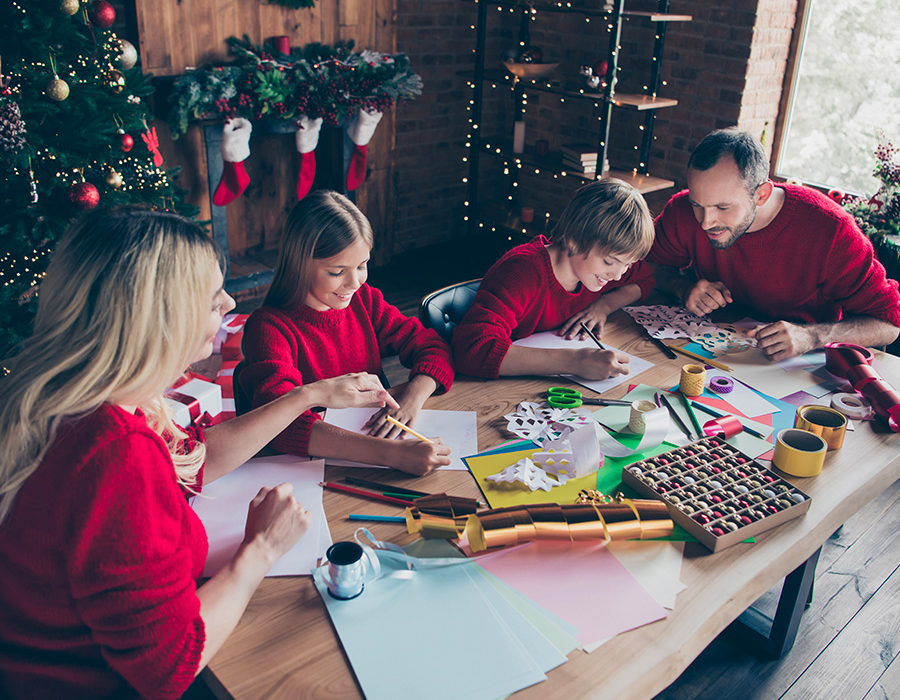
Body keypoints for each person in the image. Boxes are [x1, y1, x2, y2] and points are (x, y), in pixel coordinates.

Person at [0, 207, 398, 700]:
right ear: (157, 320)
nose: (230, 303)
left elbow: (195, 459)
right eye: (213, 301)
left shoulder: (72, 396)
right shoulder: (113, 454)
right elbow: (169, 667)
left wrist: (306, 395)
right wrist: (262, 548)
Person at [237, 190, 455, 475]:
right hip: (314, 474)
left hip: (378, 447)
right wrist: (390, 454)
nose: (354, 282)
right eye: (337, 271)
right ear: (299, 265)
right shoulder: (269, 328)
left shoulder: (365, 300)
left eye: (362, 266)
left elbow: (433, 347)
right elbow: (278, 425)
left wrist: (412, 398)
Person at [648, 128, 900, 361]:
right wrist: (682, 287)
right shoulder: (682, 210)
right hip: (706, 350)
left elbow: (888, 323)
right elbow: (646, 265)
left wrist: (812, 336)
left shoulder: (830, 229)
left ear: (762, 194)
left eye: (723, 207)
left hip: (799, 366)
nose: (705, 222)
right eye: (697, 204)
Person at [452, 178, 656, 379]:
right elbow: (471, 349)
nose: (618, 275)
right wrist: (574, 362)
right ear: (575, 240)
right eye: (609, 262)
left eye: (627, 264)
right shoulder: (522, 272)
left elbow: (645, 280)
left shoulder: (597, 269)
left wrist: (605, 305)